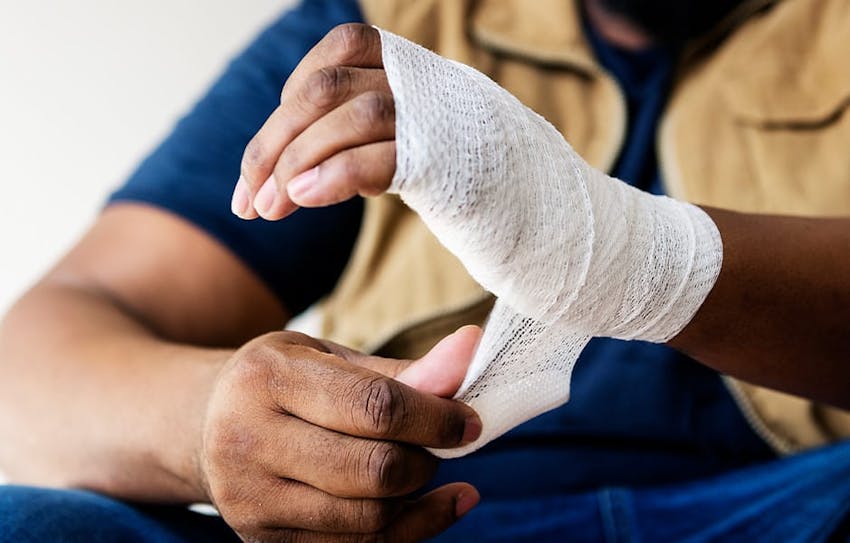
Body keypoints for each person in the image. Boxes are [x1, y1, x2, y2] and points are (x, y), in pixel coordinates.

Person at [1, 0, 849, 541]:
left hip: (791, 505)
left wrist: (622, 252)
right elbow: (33, 372)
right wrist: (213, 425)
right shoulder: (380, 34)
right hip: (414, 520)